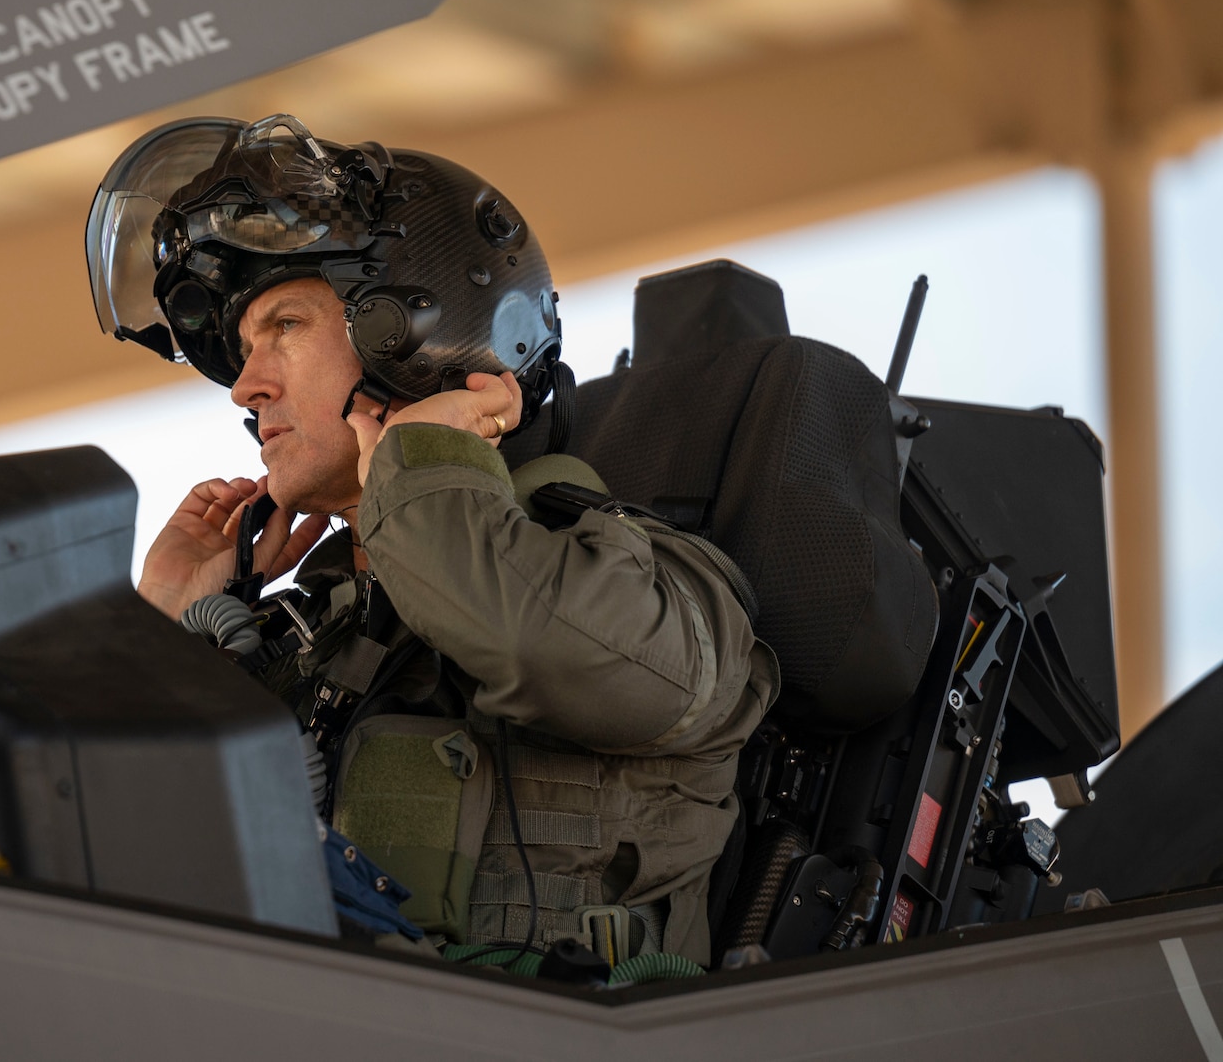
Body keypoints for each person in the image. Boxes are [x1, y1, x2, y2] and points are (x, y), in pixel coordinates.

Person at [85, 113, 778, 969]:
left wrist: (419, 458)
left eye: (286, 328)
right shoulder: (300, 642)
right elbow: (101, 853)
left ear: (412, 334)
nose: (245, 386)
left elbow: (525, 635)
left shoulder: (651, 583)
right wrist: (169, 627)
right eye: (243, 349)